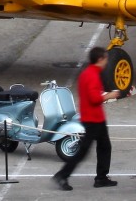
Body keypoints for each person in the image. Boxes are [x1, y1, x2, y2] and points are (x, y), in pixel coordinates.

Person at [51, 46, 121, 192]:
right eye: (106, 59)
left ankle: (101, 177)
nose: (107, 62)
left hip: (94, 118)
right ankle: (63, 175)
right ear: (100, 59)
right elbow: (95, 98)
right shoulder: (92, 75)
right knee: (84, 151)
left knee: (104, 147)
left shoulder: (88, 73)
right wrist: (110, 95)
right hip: (93, 119)